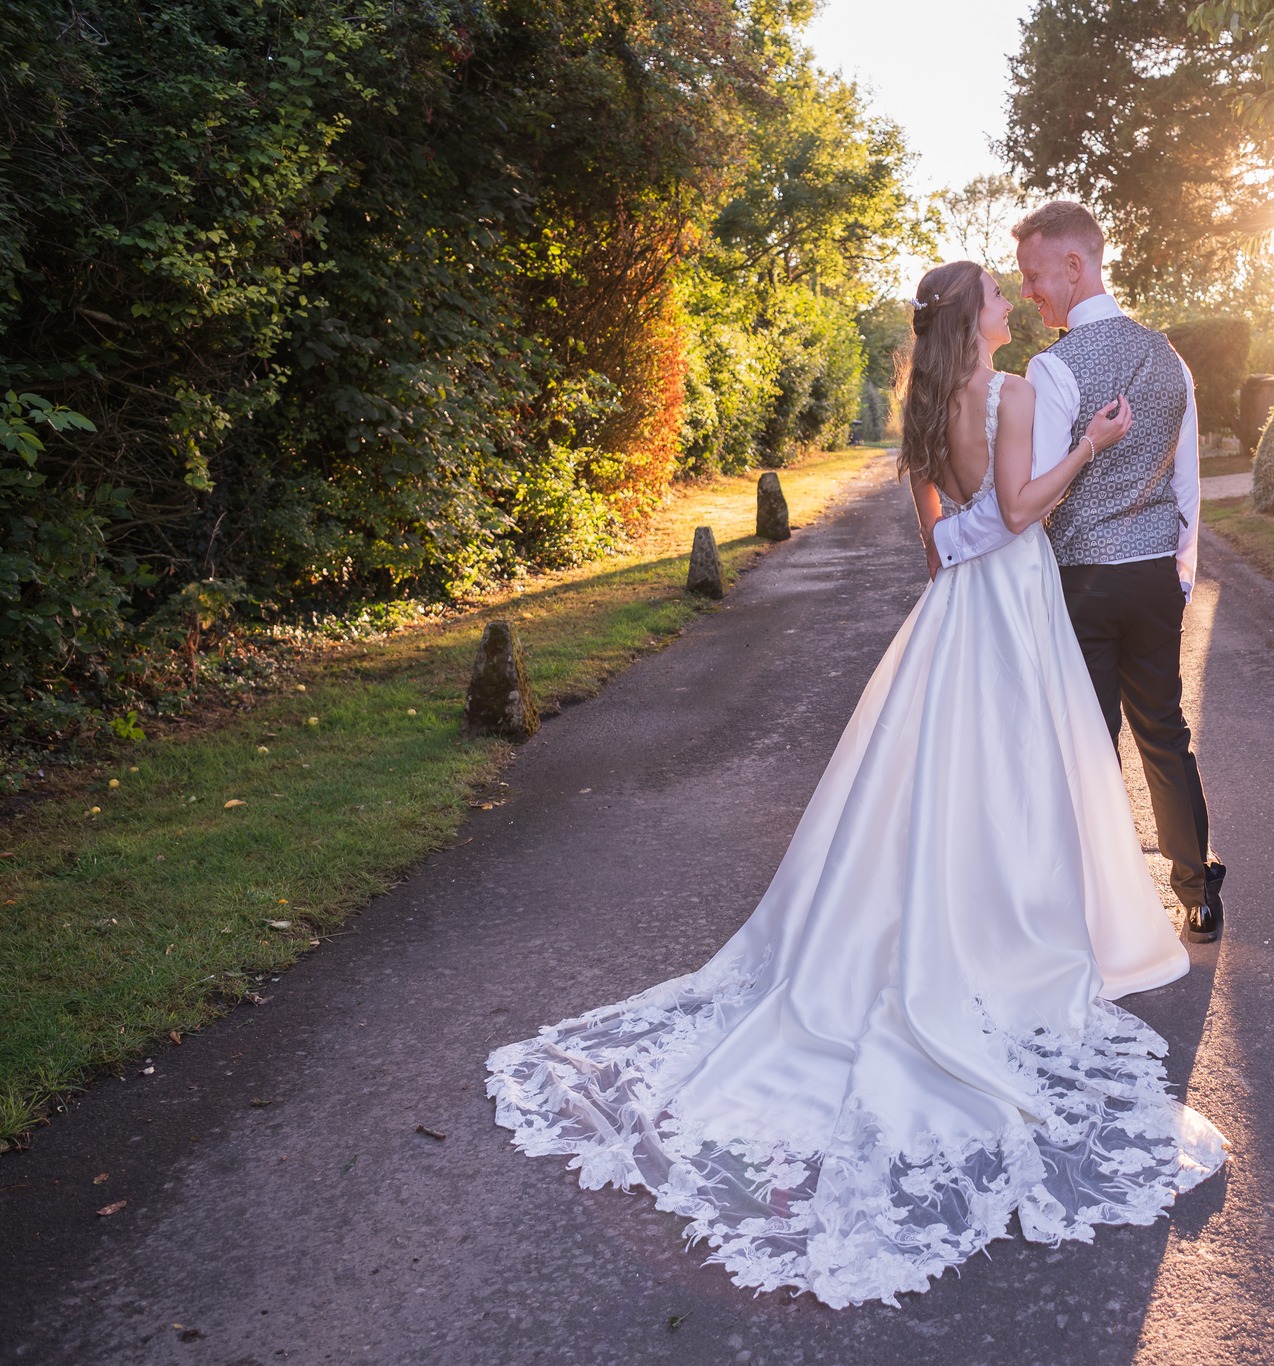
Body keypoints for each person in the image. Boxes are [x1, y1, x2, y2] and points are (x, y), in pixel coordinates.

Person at [485, 259, 1226, 1310]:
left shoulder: (922, 412)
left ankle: (958, 925)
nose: (1014, 308)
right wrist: (1094, 448)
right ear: (977, 319)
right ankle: (1005, 935)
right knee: (1016, 783)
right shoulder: (1013, 393)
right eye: (1000, 300)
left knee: (941, 783)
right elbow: (1018, 510)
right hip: (1013, 608)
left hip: (954, 619)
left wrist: (998, 517)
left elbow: (940, 551)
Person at [930, 200, 1225, 944]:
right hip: (1155, 574)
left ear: (1075, 264)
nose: (1028, 293)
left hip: (1079, 584)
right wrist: (1181, 575)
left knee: (1085, 745)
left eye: (1034, 276)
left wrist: (948, 543)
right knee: (1165, 730)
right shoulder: (1170, 356)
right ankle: (1196, 892)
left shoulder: (1052, 368)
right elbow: (1186, 483)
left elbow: (1023, 495)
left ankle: (1086, 913)